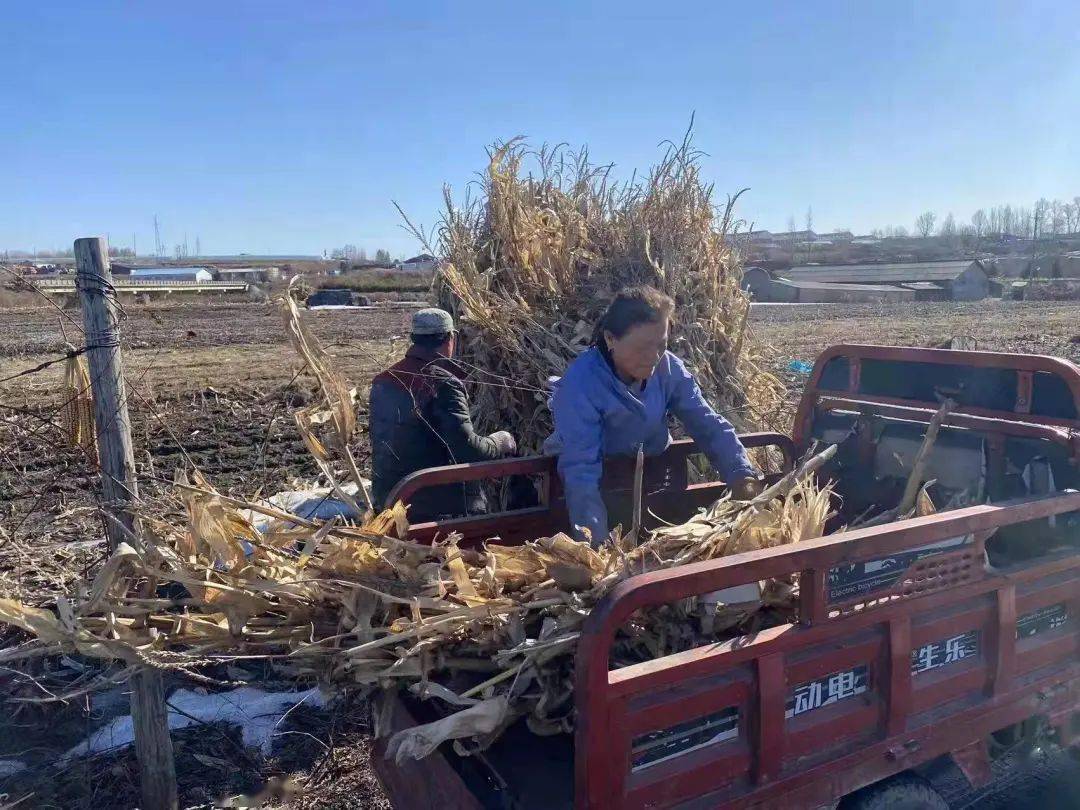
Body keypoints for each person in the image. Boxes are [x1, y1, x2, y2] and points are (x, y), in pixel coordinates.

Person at [544, 286, 762, 544]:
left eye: (662, 345)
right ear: (611, 339)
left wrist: (741, 474)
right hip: (598, 490)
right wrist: (594, 542)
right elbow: (581, 470)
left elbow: (707, 423)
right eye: (642, 347)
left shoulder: (669, 370)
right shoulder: (581, 385)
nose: (654, 357)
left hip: (652, 478)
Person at [369, 308, 516, 521]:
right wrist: (500, 441)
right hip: (437, 506)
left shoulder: (383, 380)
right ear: (450, 338)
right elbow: (468, 450)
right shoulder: (443, 383)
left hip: (390, 499)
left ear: (414, 339)